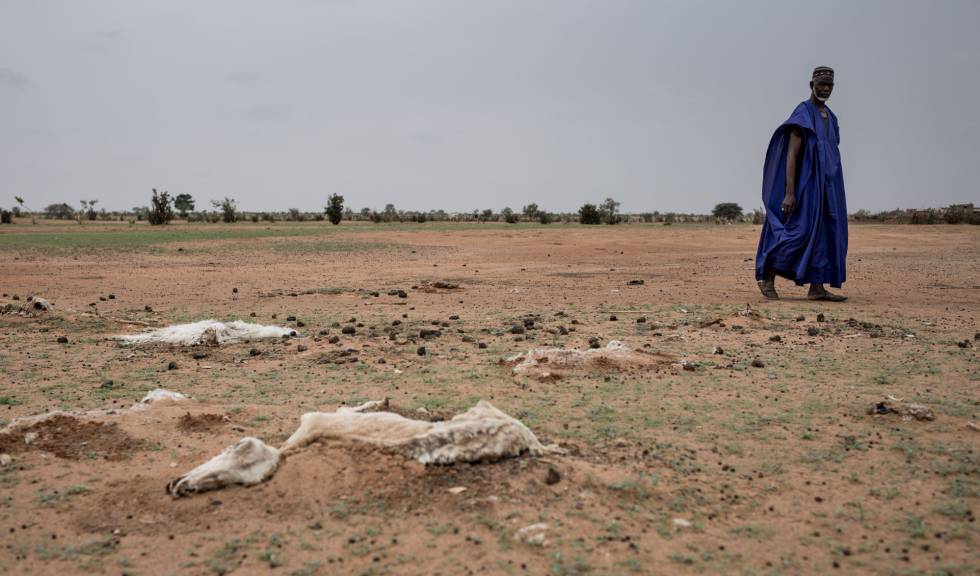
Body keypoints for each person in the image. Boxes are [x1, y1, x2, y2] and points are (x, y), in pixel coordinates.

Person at [755, 66, 848, 301]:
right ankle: (767, 273)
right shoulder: (803, 113)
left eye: (830, 85)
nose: (825, 88)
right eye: (821, 84)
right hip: (808, 187)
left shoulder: (832, 116)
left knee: (826, 234)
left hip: (829, 187)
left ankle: (816, 287)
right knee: (800, 233)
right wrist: (789, 192)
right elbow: (791, 155)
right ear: (811, 85)